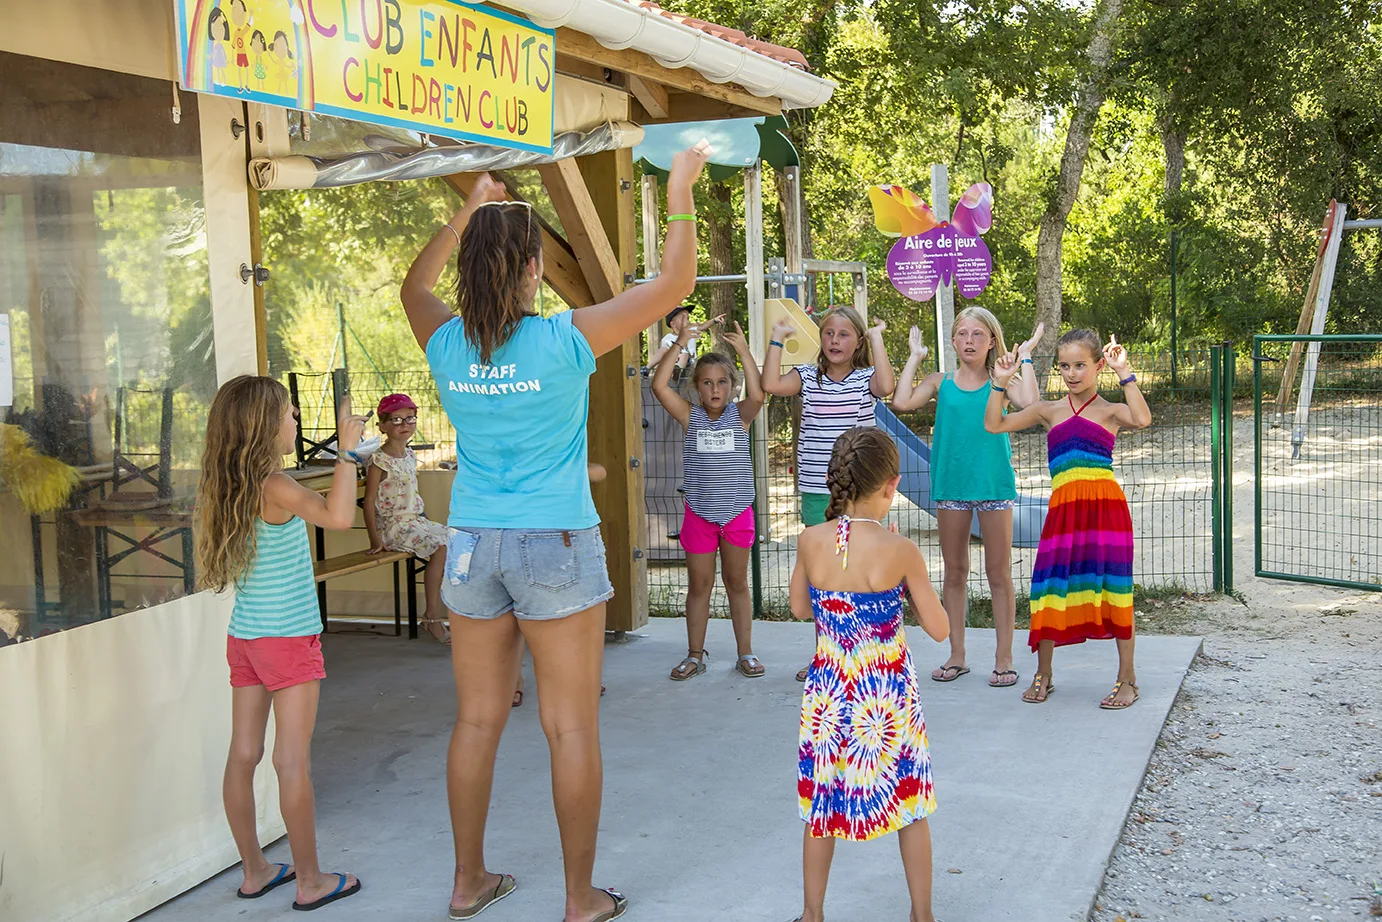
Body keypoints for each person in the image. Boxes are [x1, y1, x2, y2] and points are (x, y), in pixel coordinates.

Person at [400, 142, 711, 922]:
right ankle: (580, 899)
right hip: (555, 545)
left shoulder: (443, 343)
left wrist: (468, 210)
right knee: (568, 726)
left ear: (469, 269)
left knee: (476, 720)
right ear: (534, 268)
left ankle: (467, 882)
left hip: (471, 544)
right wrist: (678, 187)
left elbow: (413, 284)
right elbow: (674, 284)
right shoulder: (564, 339)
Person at [194, 375, 364, 911]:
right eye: (290, 413)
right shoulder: (276, 485)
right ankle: (310, 881)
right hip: (287, 638)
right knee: (292, 762)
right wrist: (348, 453)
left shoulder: (228, 483)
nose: (295, 420)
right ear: (266, 427)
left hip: (246, 637)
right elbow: (340, 517)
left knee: (243, 754)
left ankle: (255, 870)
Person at [788, 426, 948, 922]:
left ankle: (813, 914)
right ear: (891, 484)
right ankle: (922, 915)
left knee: (821, 810)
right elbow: (940, 629)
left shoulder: (811, 541)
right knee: (911, 805)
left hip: (829, 698)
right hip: (889, 701)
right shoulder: (899, 550)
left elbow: (798, 608)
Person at [983, 330, 1151, 709]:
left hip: (1106, 511)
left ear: (1098, 366)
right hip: (1063, 511)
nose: (1072, 373)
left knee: (1116, 591)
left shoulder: (1109, 411)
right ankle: (1044, 673)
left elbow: (1141, 418)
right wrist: (998, 383)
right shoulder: (1049, 410)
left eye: (1080, 365)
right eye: (1064, 366)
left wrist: (1126, 373)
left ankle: (1128, 678)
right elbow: (994, 425)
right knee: (1049, 589)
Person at [891, 308, 1043, 688]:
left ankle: (1004, 658)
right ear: (954, 341)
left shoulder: (1001, 380)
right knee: (955, 572)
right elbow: (902, 402)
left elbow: (1030, 403)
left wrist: (1025, 358)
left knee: (999, 574)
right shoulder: (940, 382)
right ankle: (957, 655)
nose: (970, 340)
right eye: (963, 333)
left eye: (978, 334)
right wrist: (914, 357)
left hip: (993, 486)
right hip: (950, 487)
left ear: (992, 341)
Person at [761, 305, 897, 682]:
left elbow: (886, 387)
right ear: (820, 339)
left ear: (858, 342)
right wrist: (778, 338)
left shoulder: (866, 378)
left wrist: (878, 336)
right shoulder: (806, 376)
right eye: (829, 333)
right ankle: (827, 652)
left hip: (859, 491)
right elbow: (770, 385)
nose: (835, 340)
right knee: (823, 574)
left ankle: (863, 647)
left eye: (845, 334)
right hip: (817, 489)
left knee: (857, 568)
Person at [650, 316, 765, 680]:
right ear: (697, 388)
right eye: (707, 383)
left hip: (736, 514)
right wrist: (681, 342)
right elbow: (658, 385)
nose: (715, 389)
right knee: (699, 585)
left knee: (737, 583)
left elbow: (759, 395)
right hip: (699, 513)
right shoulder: (690, 417)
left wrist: (744, 351)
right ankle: (694, 655)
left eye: (722, 383)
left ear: (732, 387)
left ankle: (745, 653)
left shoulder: (740, 415)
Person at [363, 393, 453, 645]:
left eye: (410, 419)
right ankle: (432, 617)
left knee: (458, 539)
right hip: (394, 527)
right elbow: (369, 501)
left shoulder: (410, 455)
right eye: (396, 420)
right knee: (441, 548)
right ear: (382, 426)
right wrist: (375, 538)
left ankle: (457, 610)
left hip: (415, 522)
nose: (404, 425)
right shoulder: (379, 461)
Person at [647, 305, 698, 370]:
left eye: (688, 318)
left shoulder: (691, 331)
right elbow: (663, 353)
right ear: (673, 324)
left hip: (690, 364)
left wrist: (714, 320)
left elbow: (703, 326)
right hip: (673, 362)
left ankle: (677, 370)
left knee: (684, 355)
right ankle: (647, 368)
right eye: (683, 319)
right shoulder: (668, 338)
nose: (687, 321)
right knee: (668, 350)